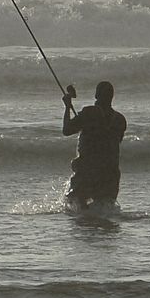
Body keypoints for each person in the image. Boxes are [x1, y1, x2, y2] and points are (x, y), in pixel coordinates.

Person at [61, 80, 127, 208]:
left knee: (74, 205)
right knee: (104, 211)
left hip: (88, 171)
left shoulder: (89, 113)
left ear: (96, 95)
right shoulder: (120, 119)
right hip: (110, 174)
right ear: (112, 97)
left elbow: (67, 130)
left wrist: (68, 106)